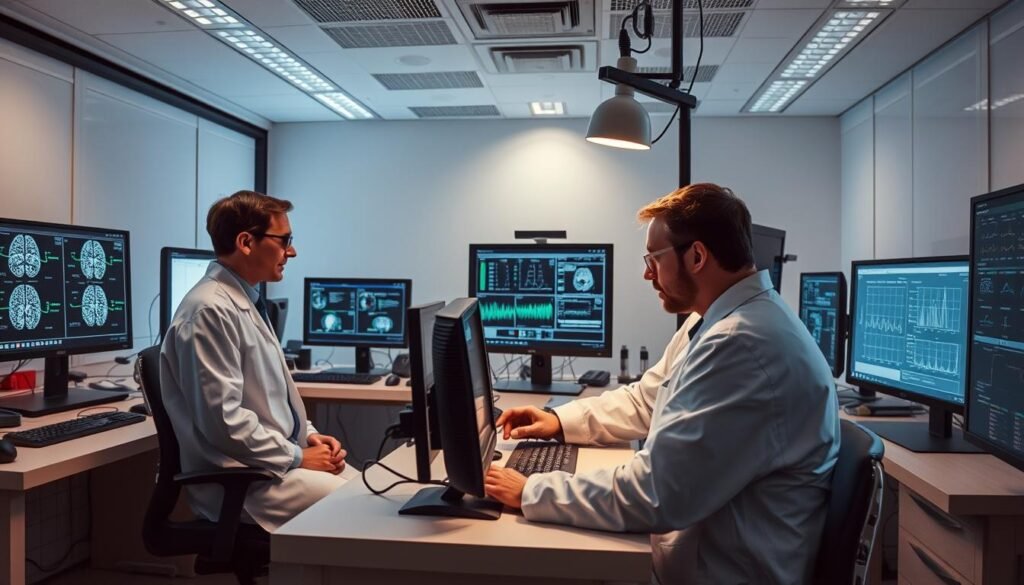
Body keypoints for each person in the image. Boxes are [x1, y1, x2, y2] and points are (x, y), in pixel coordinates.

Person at [485, 183, 840, 584]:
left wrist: (533, 491)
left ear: (697, 256)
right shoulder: (716, 319)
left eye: (654, 258)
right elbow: (646, 398)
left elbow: (656, 494)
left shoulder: (743, 343)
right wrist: (559, 421)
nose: (646, 272)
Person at [161, 190, 348, 532]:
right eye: (284, 240)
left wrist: (309, 437)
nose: (292, 251)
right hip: (243, 482)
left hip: (268, 465)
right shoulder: (208, 311)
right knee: (364, 510)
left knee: (374, 491)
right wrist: (297, 457)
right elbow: (224, 422)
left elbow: (272, 402)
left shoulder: (243, 300)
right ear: (246, 242)